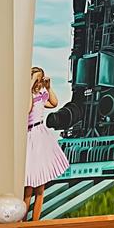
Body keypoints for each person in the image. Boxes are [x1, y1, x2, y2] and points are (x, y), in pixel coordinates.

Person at [23, 66, 69, 220]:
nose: (38, 81)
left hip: (40, 135)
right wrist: (30, 85)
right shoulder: (27, 94)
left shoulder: (41, 92)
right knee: (28, 187)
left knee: (40, 187)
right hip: (30, 135)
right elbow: (27, 109)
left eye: (40, 78)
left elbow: (53, 103)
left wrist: (48, 87)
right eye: (36, 78)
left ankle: (35, 221)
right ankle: (23, 220)